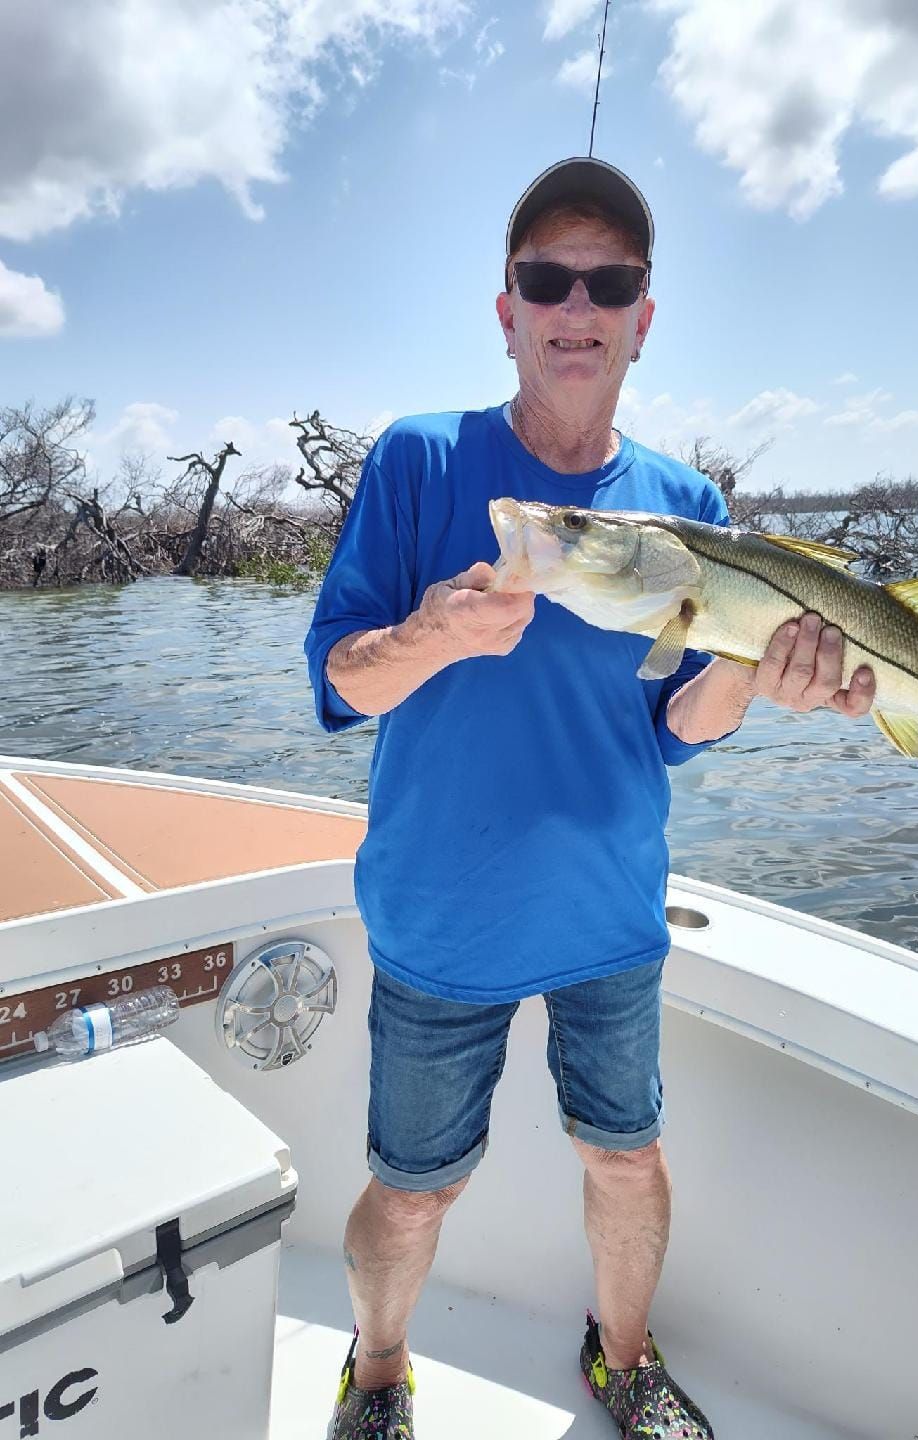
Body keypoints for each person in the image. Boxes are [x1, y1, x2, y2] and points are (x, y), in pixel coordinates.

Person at [305, 156, 877, 1440]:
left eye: (608, 282)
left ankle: (623, 1359)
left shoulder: (690, 509)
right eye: (547, 278)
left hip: (614, 914)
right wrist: (434, 634)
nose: (578, 305)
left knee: (627, 1158)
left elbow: (676, 729)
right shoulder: (419, 461)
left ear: (643, 318)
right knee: (411, 1189)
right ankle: (379, 1373)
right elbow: (339, 681)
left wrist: (757, 675)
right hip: (440, 916)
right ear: (505, 309)